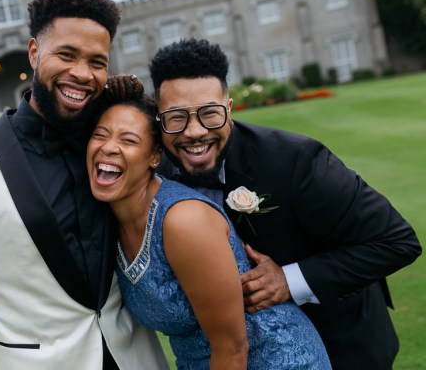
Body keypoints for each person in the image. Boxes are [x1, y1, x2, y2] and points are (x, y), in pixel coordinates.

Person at [0, 0, 168, 370]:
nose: (82, 73)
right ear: (34, 52)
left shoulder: (109, 148)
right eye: (66, 54)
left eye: (97, 62)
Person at [149, 38, 422, 370]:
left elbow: (396, 241)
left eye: (210, 114)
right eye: (176, 118)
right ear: (158, 119)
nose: (194, 132)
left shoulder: (296, 161)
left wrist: (289, 281)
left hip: (340, 345)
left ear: (230, 109)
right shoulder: (156, 176)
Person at [86, 75, 331, 369]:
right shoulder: (106, 218)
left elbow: (232, 347)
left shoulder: (183, 221)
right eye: (100, 135)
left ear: (154, 157)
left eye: (128, 140)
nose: (108, 147)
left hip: (271, 360)